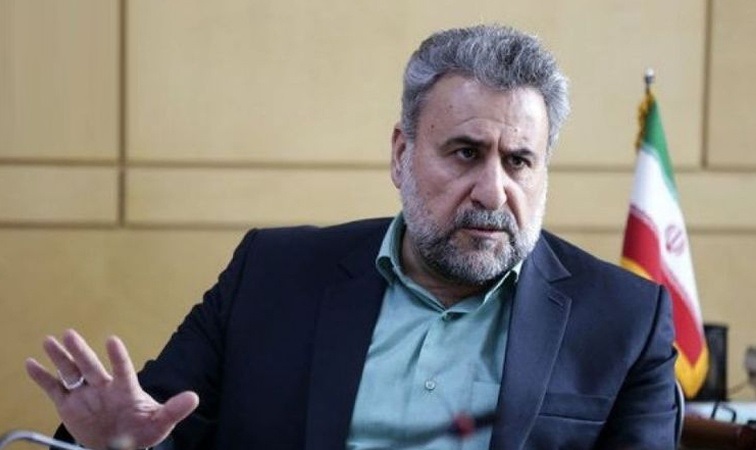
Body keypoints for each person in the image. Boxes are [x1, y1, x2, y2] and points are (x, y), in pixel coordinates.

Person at [26, 24, 677, 450]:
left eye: (519, 161)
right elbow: (150, 427)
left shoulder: (622, 320)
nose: (492, 190)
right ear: (401, 155)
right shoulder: (270, 277)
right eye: (464, 152)